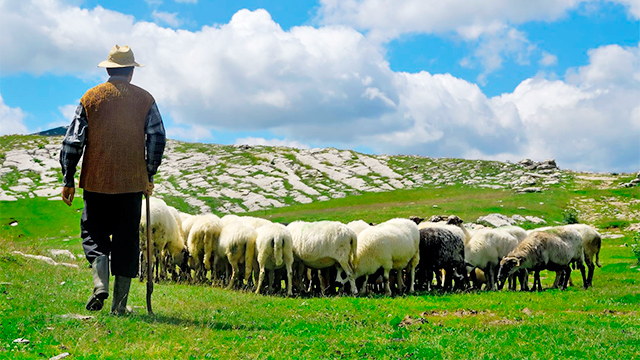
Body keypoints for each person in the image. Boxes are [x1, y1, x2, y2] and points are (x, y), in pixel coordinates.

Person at [59, 45, 166, 315]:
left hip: (96, 182)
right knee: (126, 240)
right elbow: (157, 138)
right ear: (131, 71)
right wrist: (148, 173)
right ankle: (119, 305)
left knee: (93, 234)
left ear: (108, 69)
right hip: (131, 184)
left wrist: (68, 178)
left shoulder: (90, 98)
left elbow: (73, 141)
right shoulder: (145, 100)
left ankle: (99, 284)